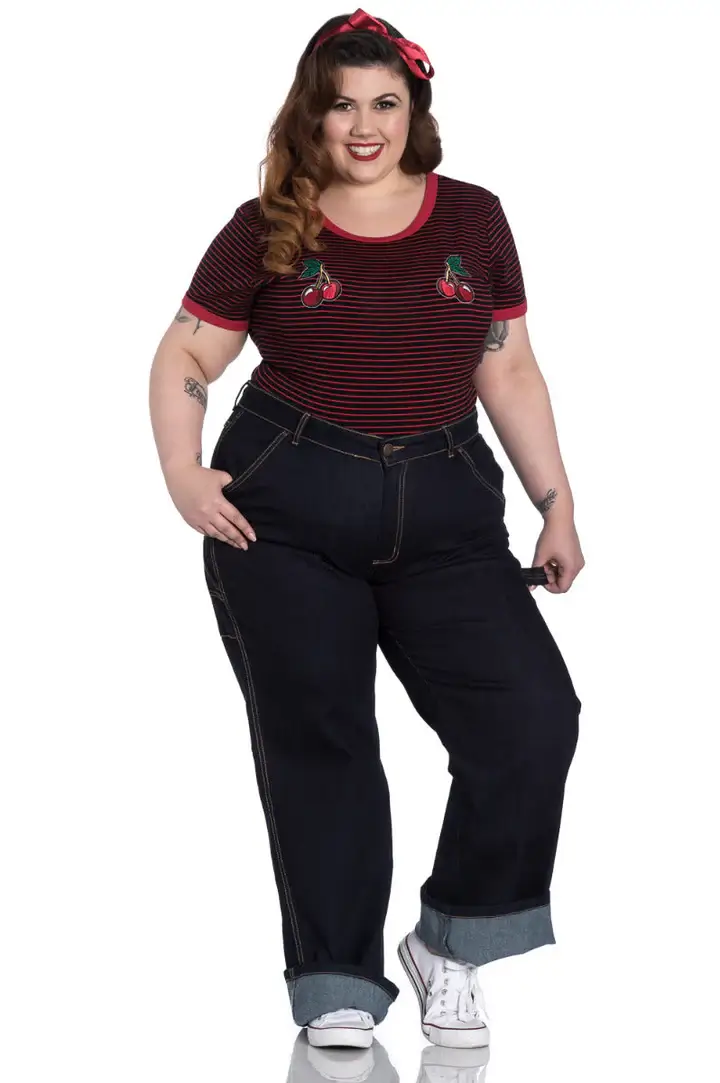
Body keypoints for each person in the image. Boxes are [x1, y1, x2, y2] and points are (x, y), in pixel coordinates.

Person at [148, 7, 584, 1052]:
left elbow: (508, 365)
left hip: (447, 508)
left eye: (384, 103)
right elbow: (186, 355)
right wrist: (181, 471)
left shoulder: (474, 217)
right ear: (311, 115)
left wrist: (556, 501)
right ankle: (337, 978)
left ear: (413, 111)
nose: (363, 126)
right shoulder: (266, 225)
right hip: (286, 509)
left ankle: (451, 941)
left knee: (532, 718)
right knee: (324, 738)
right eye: (341, 106)